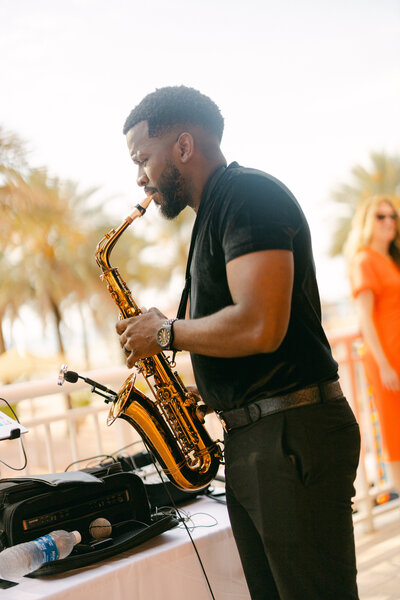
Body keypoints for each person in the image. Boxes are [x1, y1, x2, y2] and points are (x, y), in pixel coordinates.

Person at [116, 85, 361, 600]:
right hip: (263, 437)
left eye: (143, 158)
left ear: (183, 146)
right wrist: (210, 391)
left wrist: (165, 331)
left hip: (289, 437)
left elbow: (260, 325)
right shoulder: (214, 212)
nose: (139, 176)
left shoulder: (248, 196)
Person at [345, 195, 400, 495]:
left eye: (392, 215)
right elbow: (365, 319)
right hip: (388, 359)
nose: (389, 221)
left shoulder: (391, 258)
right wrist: (384, 365)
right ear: (368, 221)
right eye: (381, 216)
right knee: (395, 432)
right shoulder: (365, 260)